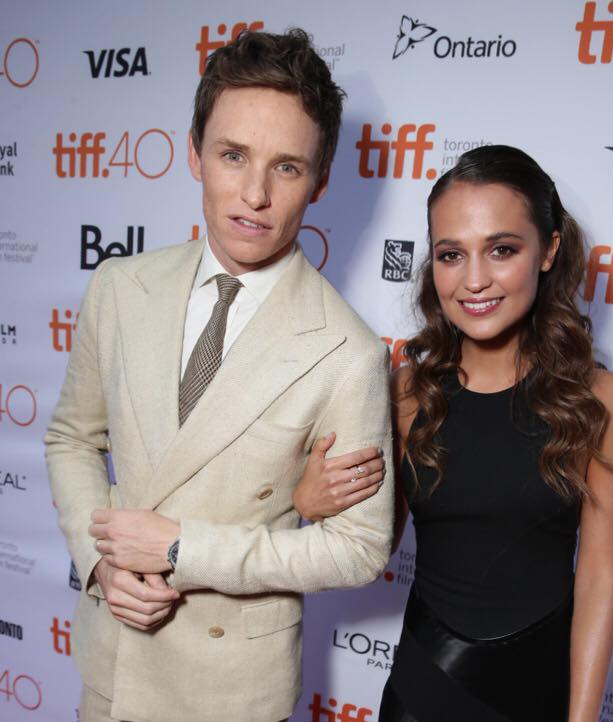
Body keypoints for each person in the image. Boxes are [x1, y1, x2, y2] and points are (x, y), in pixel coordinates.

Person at [45, 29, 392, 722]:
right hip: (113, 664)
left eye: (287, 167)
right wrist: (101, 558)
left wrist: (184, 549)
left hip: (232, 691)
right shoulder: (119, 287)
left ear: (321, 180)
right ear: (194, 153)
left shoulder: (347, 351)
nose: (255, 194)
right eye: (234, 155)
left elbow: (359, 548)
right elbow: (72, 439)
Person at [296, 145, 613, 721]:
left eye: (502, 249)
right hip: (423, 687)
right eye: (451, 255)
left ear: (549, 250)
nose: (475, 280)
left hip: (538, 693)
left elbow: (600, 579)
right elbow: (371, 544)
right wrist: (311, 505)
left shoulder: (604, 401)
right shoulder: (409, 391)